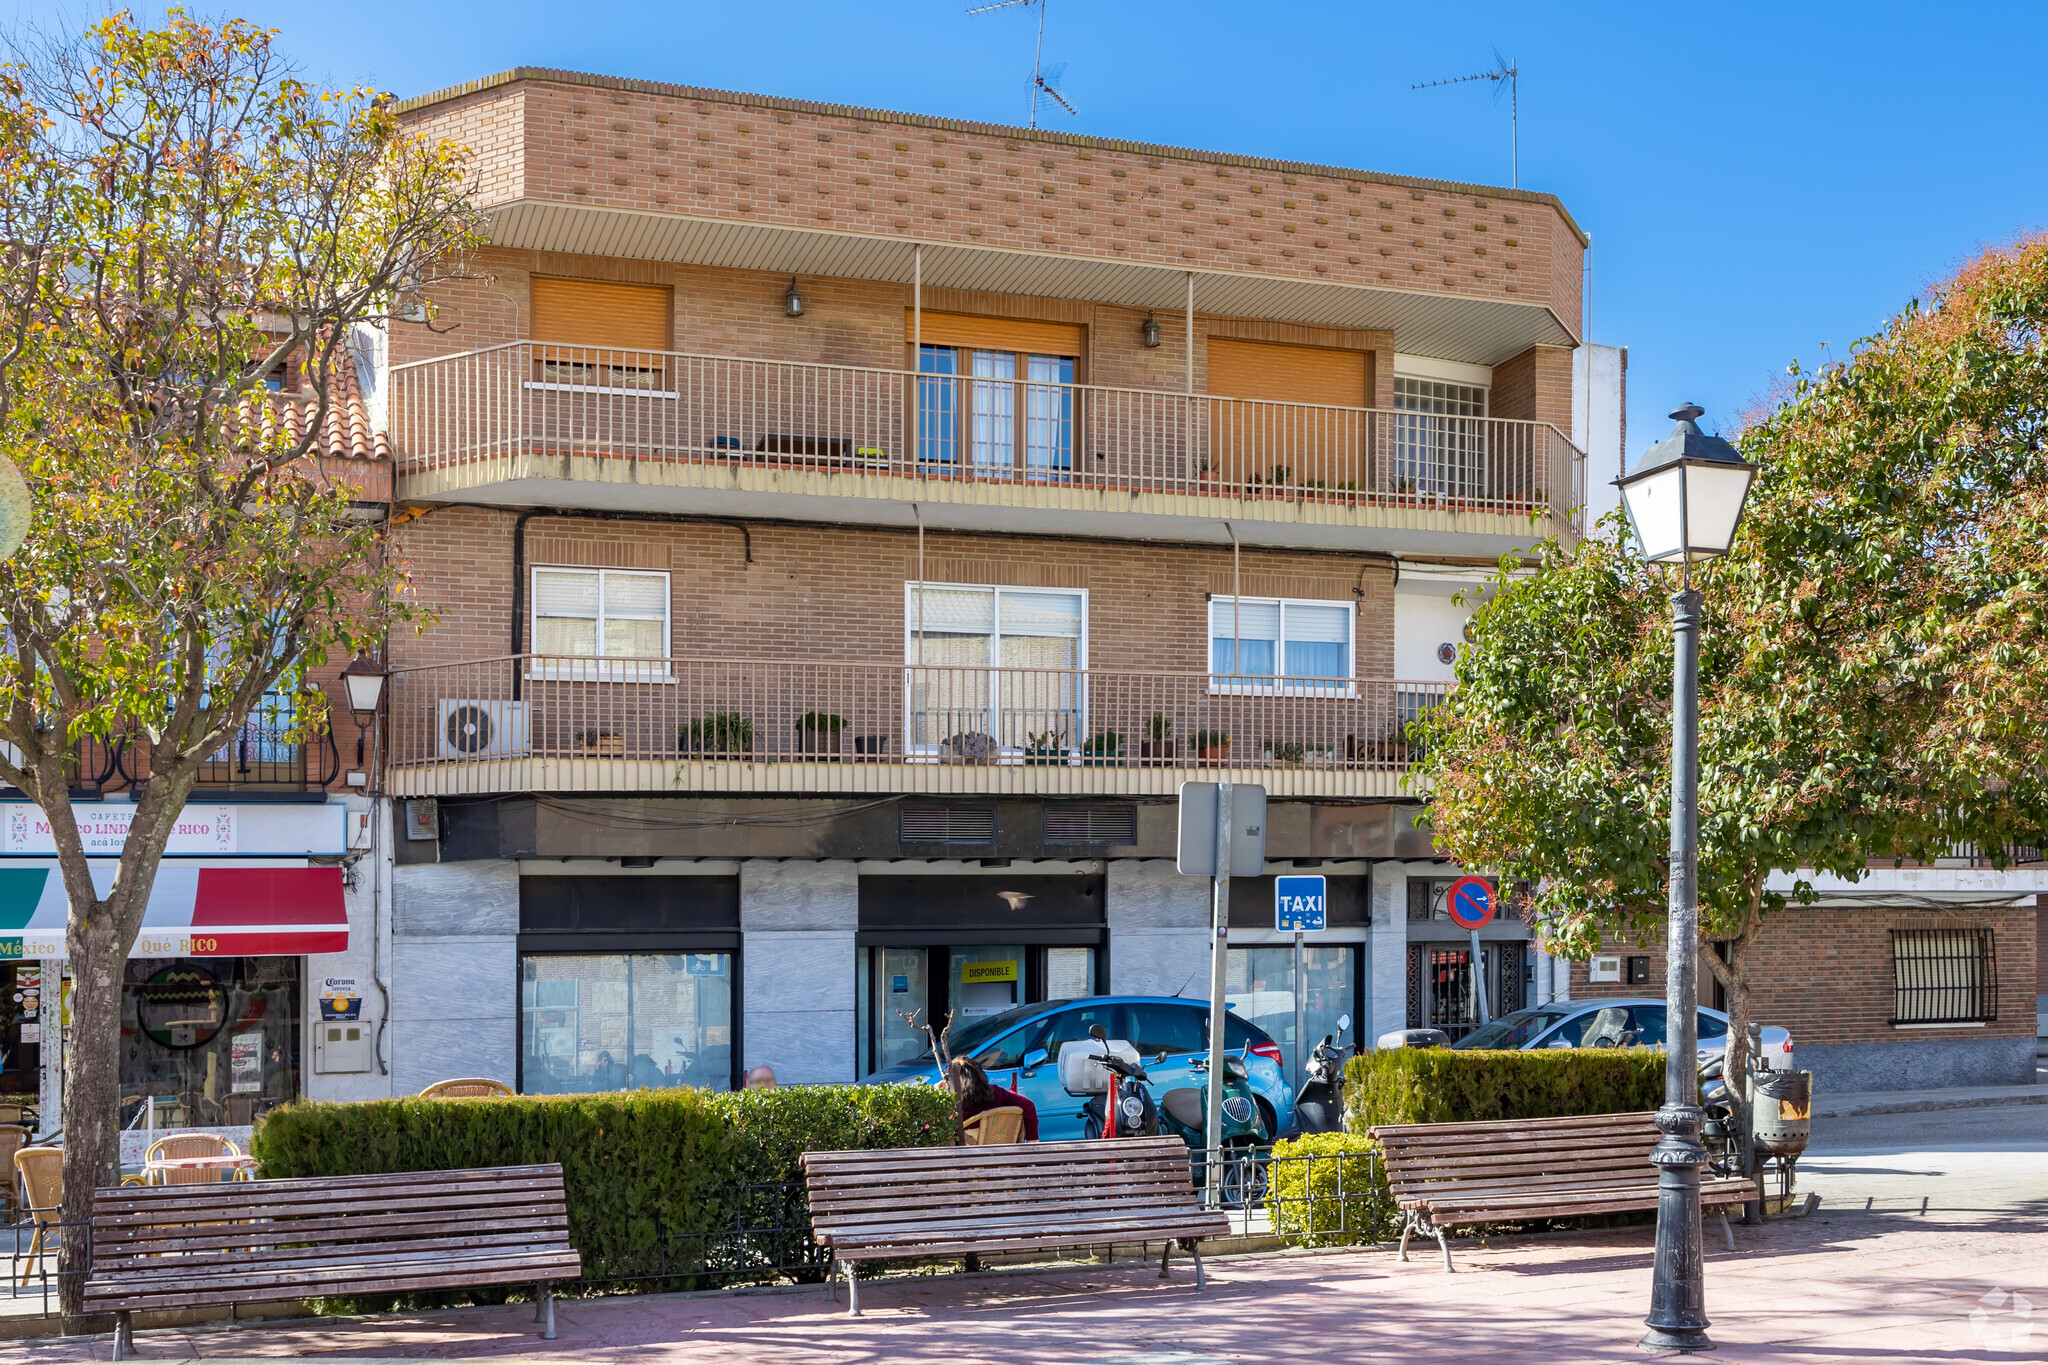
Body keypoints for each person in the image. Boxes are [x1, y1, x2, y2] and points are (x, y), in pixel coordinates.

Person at [941, 1056, 1038, 1141]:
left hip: (965, 1156)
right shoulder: (997, 1093)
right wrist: (1033, 1139)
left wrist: (938, 1093)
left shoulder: (954, 1105)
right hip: (999, 1153)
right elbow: (1028, 1105)